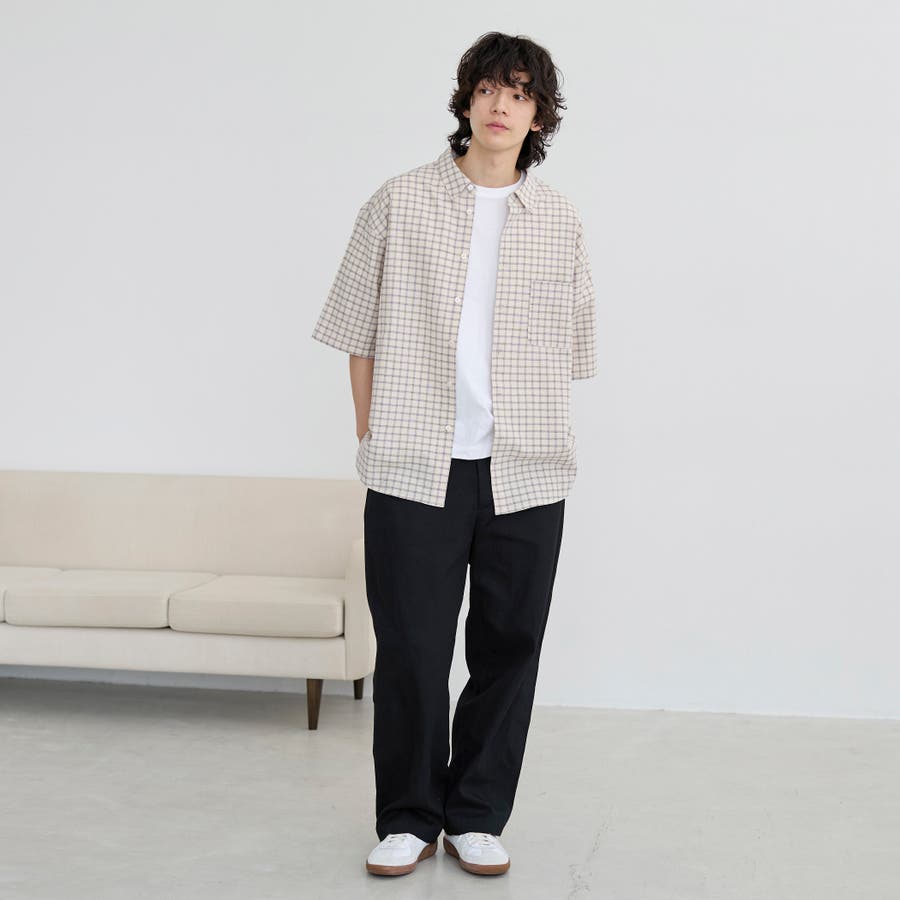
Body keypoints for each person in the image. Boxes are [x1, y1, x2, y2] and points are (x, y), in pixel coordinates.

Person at [311, 31, 598, 878]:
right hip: (413, 465)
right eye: (488, 89)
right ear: (467, 101)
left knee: (509, 644)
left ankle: (475, 814)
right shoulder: (399, 201)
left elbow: (571, 350)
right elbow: (355, 329)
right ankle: (407, 817)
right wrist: (373, 432)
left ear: (539, 115)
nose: (501, 104)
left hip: (527, 469)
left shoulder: (560, 220)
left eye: (520, 92)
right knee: (411, 649)